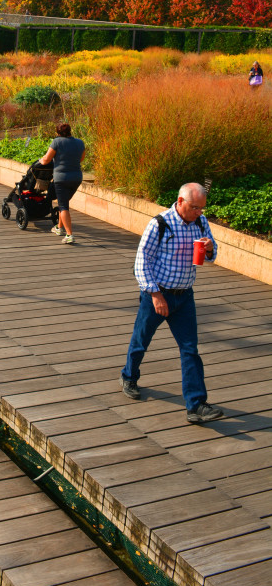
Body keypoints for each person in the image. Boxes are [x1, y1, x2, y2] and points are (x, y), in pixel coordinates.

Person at [120, 182, 224, 425]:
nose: (199, 212)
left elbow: (213, 254)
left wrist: (209, 249)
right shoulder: (160, 223)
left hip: (185, 296)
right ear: (180, 201)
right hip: (157, 294)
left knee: (190, 350)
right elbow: (141, 262)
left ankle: (196, 405)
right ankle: (129, 376)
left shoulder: (201, 222)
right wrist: (155, 295)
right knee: (141, 341)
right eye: (194, 207)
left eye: (201, 208)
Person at [38, 122, 85, 245]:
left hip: (61, 178)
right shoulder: (80, 143)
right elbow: (81, 158)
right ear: (70, 131)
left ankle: (69, 235)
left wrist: (41, 160)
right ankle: (59, 228)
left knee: (63, 206)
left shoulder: (57, 142)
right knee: (63, 202)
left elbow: (47, 159)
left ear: (57, 132)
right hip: (76, 178)